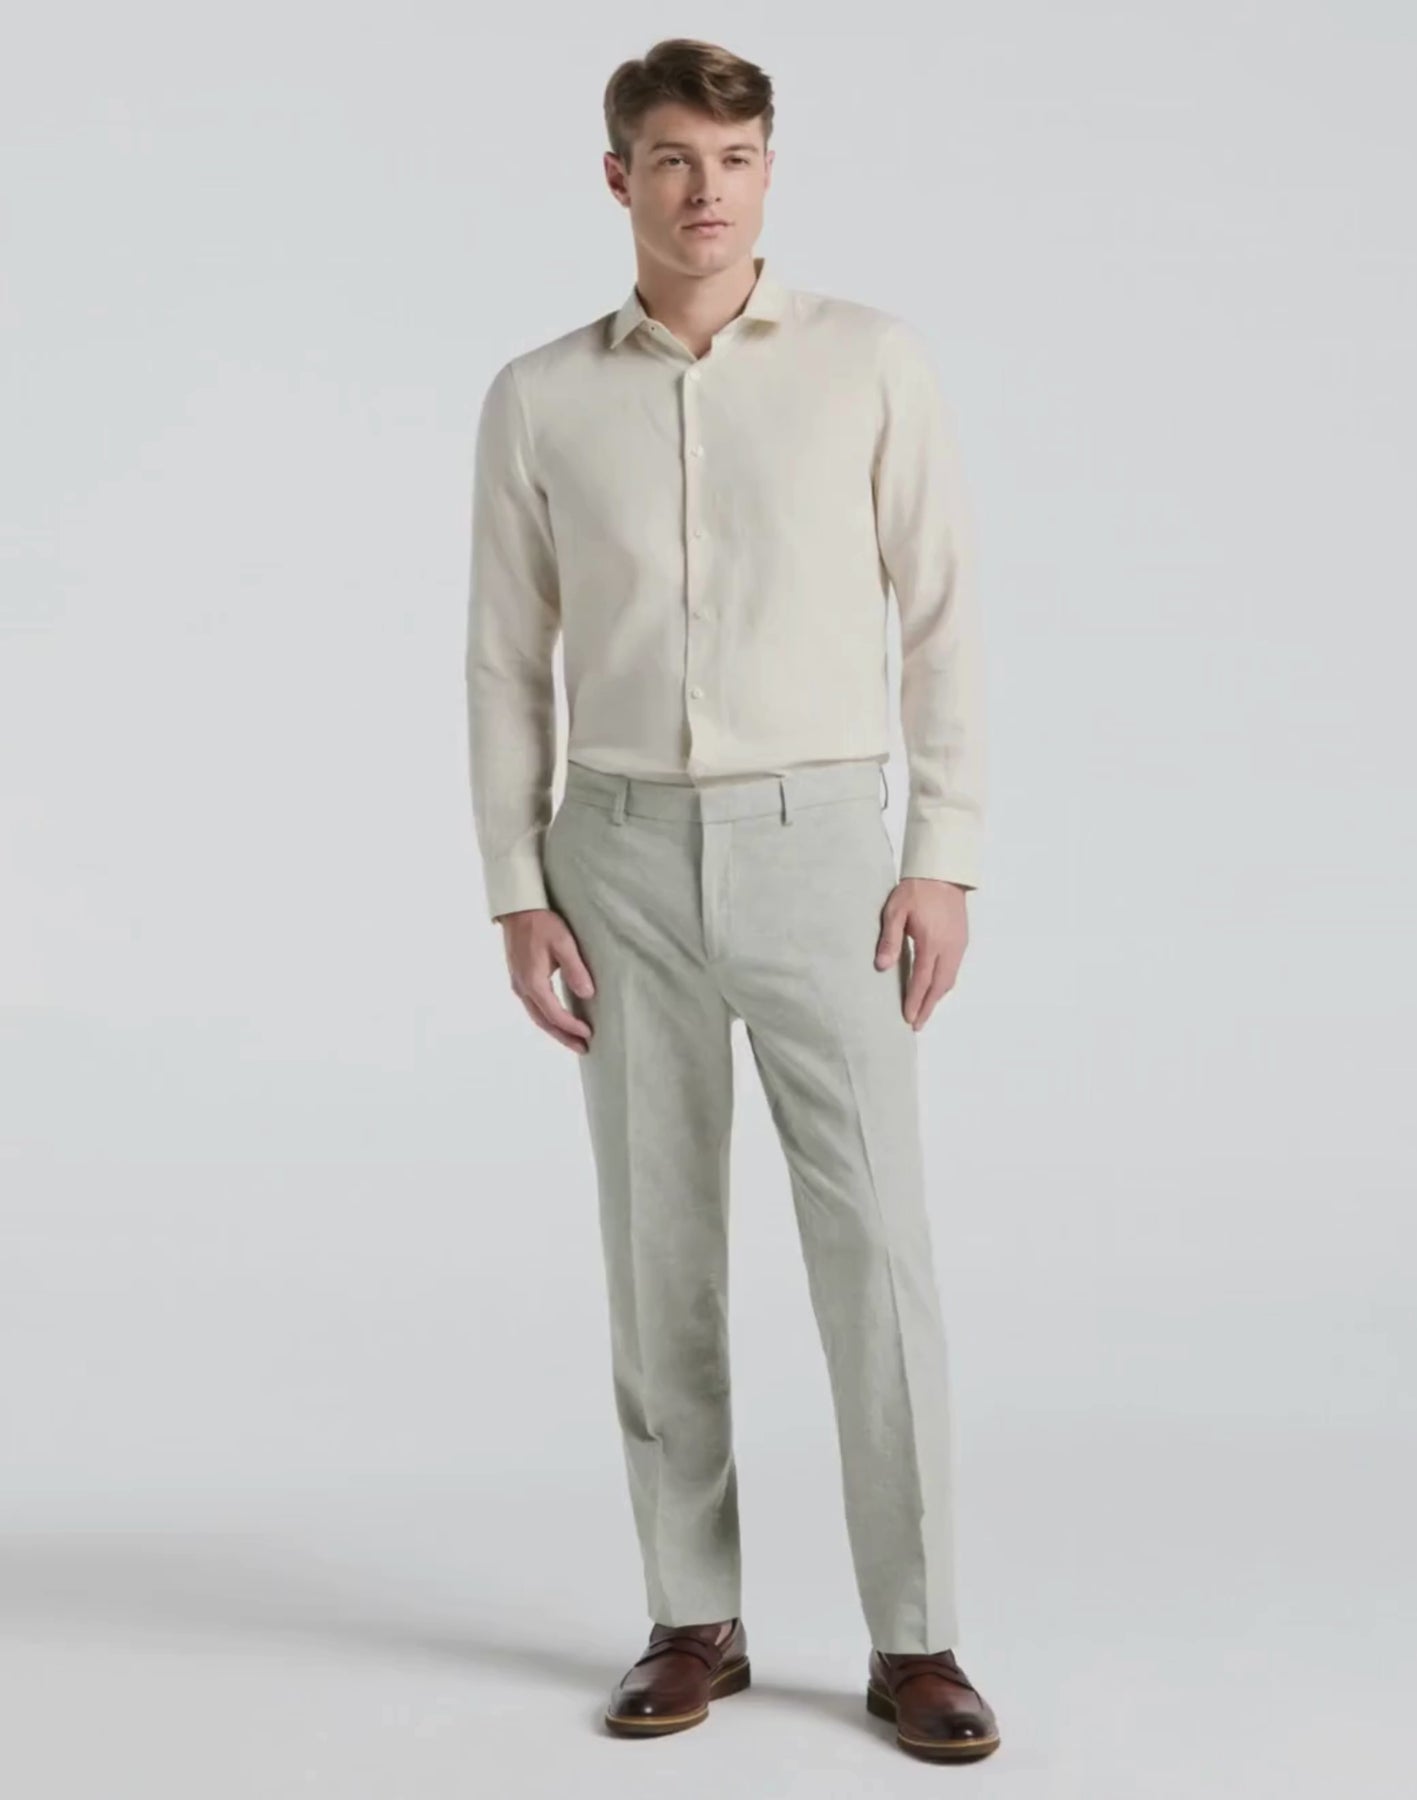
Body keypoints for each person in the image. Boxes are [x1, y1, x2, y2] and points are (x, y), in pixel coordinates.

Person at [464, 36, 999, 1764]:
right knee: (659, 1253)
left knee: (874, 1252)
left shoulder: (868, 361)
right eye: (677, 158)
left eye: (738, 158)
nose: (708, 189)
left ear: (770, 173)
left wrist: (941, 851)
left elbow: (940, 613)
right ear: (617, 175)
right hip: (614, 855)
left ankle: (915, 1638)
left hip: (824, 847)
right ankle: (691, 1615)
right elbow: (505, 659)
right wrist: (516, 888)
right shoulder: (540, 396)